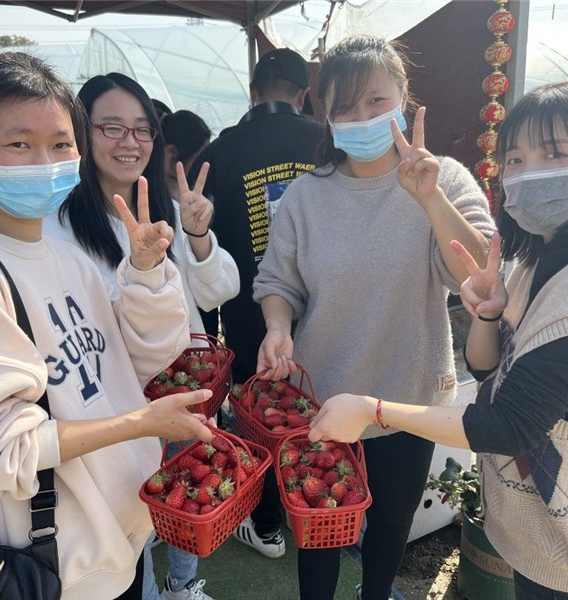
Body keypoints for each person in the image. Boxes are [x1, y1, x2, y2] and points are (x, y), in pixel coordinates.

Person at [308, 80, 568, 600]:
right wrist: (490, 317)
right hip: (536, 533)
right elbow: (487, 370)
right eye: (515, 159)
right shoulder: (537, 261)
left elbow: (506, 424)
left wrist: (373, 409)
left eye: (555, 154)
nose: (530, 172)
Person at [0, 52, 215, 600]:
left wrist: (145, 273)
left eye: (61, 144)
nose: (44, 161)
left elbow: (143, 360)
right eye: (19, 144)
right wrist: (138, 424)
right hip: (50, 569)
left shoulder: (64, 255)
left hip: (117, 544)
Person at [252, 35, 495, 600]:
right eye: (344, 107)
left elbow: (479, 275)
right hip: (322, 402)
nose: (361, 117)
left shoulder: (445, 179)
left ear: (404, 100)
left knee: (390, 527)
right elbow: (277, 281)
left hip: (408, 399)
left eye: (376, 101)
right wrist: (278, 326)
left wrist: (430, 198)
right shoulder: (305, 196)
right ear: (325, 115)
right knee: (319, 536)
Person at [44, 76, 238, 600]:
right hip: (119, 406)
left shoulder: (170, 211)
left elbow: (220, 288)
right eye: (111, 127)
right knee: (133, 512)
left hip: (185, 383)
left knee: (186, 486)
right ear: (81, 133)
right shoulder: (59, 228)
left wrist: (197, 234)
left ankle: (183, 583)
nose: (129, 142)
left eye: (142, 129)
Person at [190, 47, 325, 560]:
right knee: (318, 409)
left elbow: (200, 249)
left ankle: (267, 525)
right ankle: (315, 511)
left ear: (252, 93)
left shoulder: (218, 153)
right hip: (322, 312)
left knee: (263, 419)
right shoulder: (328, 145)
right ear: (305, 94)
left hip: (250, 320)